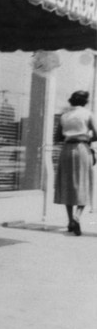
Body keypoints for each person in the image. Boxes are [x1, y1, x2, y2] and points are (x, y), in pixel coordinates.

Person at [54, 90, 97, 236]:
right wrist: (87, 138)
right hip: (82, 149)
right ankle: (77, 217)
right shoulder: (88, 114)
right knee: (83, 183)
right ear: (85, 101)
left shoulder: (64, 116)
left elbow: (58, 137)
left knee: (68, 184)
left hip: (66, 150)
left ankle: (69, 221)